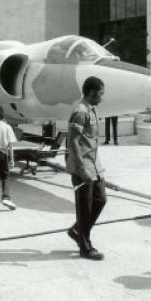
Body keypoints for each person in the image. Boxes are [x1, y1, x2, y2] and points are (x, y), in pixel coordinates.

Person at [65, 76, 107, 261]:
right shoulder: (81, 112)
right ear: (91, 92)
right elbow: (72, 141)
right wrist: (82, 169)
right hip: (83, 166)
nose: (102, 97)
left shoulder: (91, 110)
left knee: (100, 200)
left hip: (94, 165)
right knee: (85, 208)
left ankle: (77, 230)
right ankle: (85, 247)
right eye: (101, 93)